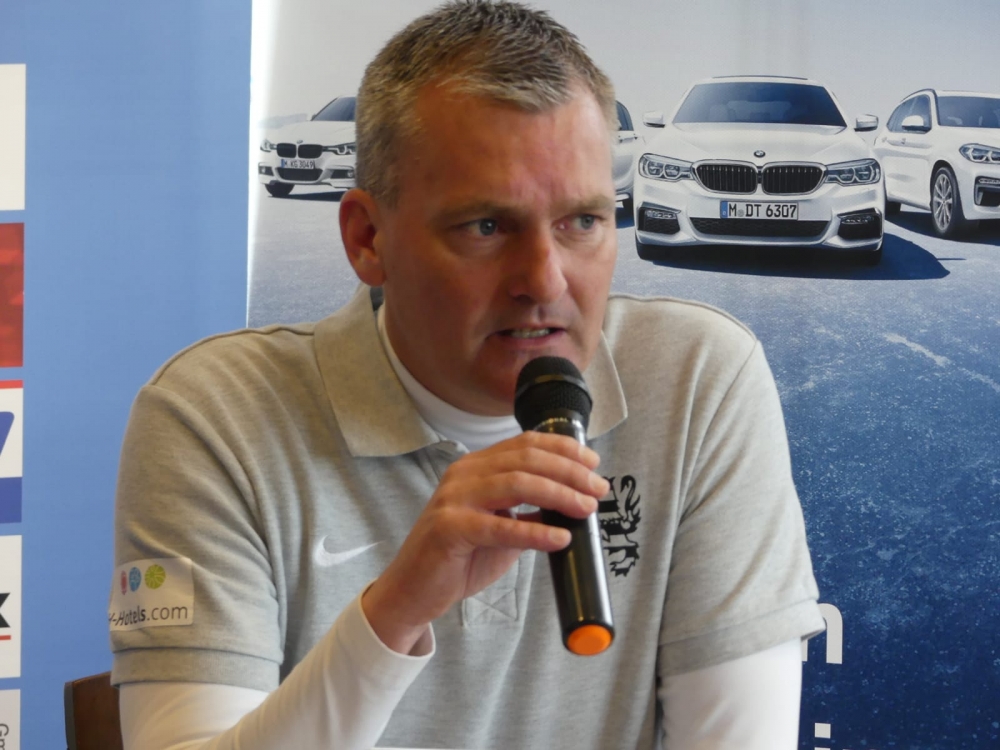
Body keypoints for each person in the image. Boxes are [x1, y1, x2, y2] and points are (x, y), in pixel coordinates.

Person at [109, 2, 825, 748]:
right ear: (367, 239)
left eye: (582, 222)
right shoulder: (214, 415)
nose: (544, 281)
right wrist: (393, 614)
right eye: (486, 226)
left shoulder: (698, 381)